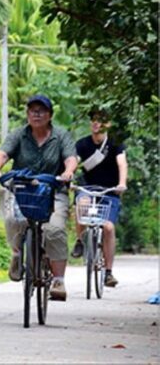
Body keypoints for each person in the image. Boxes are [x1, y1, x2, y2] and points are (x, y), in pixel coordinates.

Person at [0, 94, 77, 301]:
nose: (37, 114)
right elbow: (3, 153)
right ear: (28, 114)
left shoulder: (61, 135)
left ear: (50, 115)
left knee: (54, 229)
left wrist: (68, 172)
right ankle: (17, 253)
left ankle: (58, 280)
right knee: (12, 219)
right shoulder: (19, 134)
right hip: (23, 190)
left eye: (42, 111)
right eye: (32, 110)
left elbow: (71, 158)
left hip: (53, 190)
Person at [71, 109, 128, 287]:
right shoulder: (82, 144)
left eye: (101, 121)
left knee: (108, 227)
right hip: (87, 188)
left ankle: (108, 272)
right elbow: (74, 161)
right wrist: (69, 176)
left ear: (108, 125)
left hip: (110, 191)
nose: (96, 124)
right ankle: (80, 240)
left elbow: (122, 163)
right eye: (93, 120)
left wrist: (121, 183)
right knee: (82, 204)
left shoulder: (115, 144)